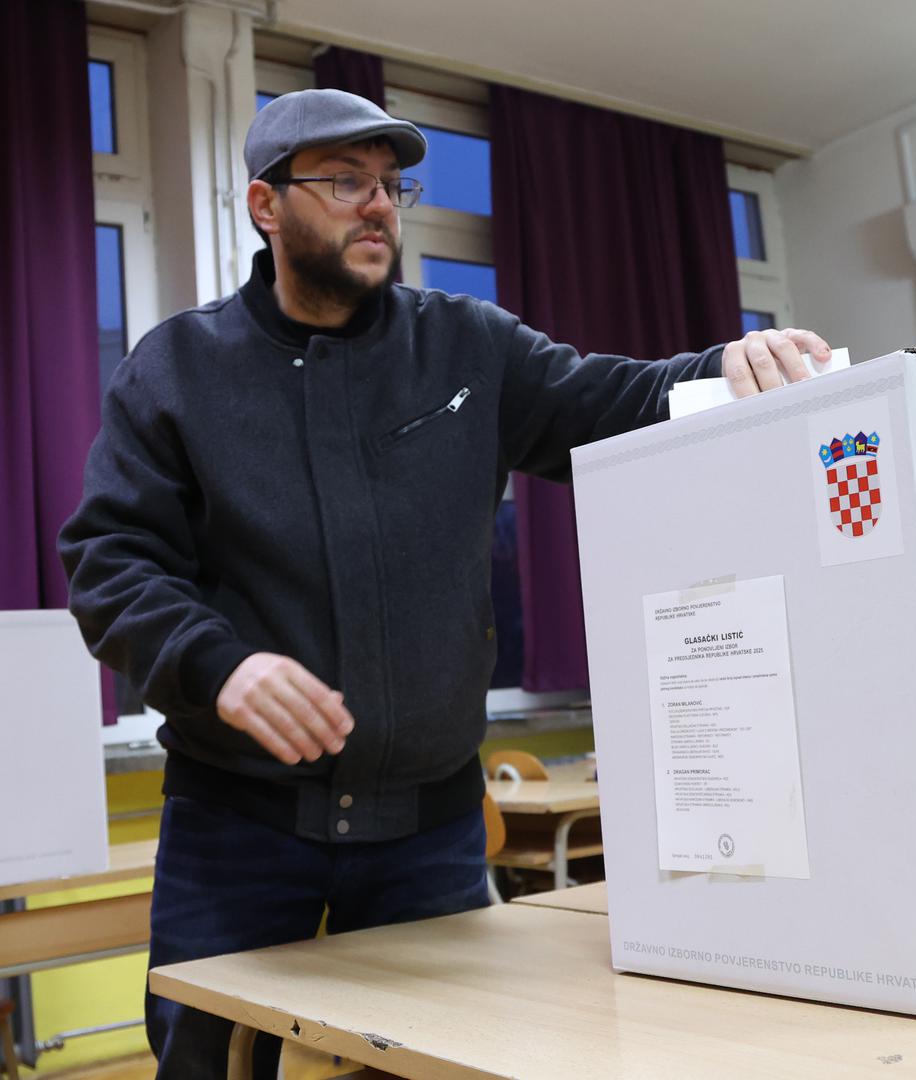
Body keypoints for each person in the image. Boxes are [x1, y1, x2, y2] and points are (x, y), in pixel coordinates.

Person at [59, 87, 830, 1078]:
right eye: (343, 182)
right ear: (266, 206)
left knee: (441, 1066)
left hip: (425, 831)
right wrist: (218, 665)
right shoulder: (177, 369)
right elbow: (110, 560)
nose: (377, 204)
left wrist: (729, 365)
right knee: (206, 1064)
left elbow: (616, 398)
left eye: (390, 184)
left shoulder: (469, 344)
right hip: (235, 827)